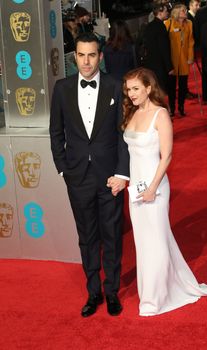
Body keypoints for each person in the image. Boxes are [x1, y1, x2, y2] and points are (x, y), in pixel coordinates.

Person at [122, 67, 207, 316]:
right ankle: (152, 291)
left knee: (157, 240)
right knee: (143, 241)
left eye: (136, 88)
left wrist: (152, 188)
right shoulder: (131, 114)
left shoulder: (160, 115)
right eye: (128, 89)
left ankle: (154, 299)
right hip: (135, 188)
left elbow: (167, 155)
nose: (132, 93)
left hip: (155, 187)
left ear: (149, 88)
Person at [49, 32, 129, 317]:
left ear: (100, 56)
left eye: (91, 55)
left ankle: (112, 291)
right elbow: (56, 132)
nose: (86, 61)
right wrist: (63, 169)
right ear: (74, 57)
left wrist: (122, 172)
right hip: (78, 177)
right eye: (81, 55)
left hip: (110, 178)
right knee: (87, 237)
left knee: (111, 236)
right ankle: (93, 291)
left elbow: (124, 135)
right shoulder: (62, 88)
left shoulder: (116, 86)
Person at [164, 3, 194, 116]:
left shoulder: (189, 24)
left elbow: (191, 41)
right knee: (171, 87)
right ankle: (172, 108)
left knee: (183, 86)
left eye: (185, 10)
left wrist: (191, 57)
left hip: (184, 59)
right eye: (183, 11)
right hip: (172, 59)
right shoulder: (168, 23)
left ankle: (181, 107)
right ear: (176, 13)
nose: (185, 12)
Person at [143, 0, 174, 93]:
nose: (167, 13)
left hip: (150, 64)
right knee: (160, 91)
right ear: (160, 13)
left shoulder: (149, 26)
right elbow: (164, 48)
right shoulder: (160, 27)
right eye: (165, 11)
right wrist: (169, 67)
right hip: (159, 65)